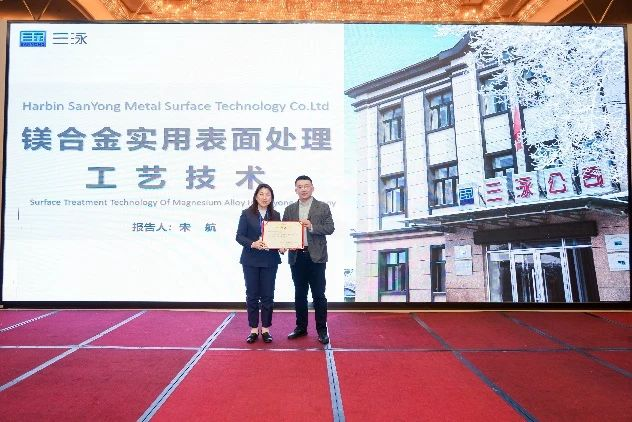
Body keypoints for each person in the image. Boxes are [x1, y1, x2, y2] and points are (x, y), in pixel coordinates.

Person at [282, 175, 335, 344]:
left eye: (306, 186)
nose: (303, 189)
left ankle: (322, 330)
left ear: (312, 188)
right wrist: (284, 245)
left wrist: (311, 226)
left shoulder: (323, 207)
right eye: (300, 186)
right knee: (300, 294)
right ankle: (301, 327)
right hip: (297, 257)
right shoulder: (290, 209)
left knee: (319, 295)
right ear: (295, 189)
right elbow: (284, 232)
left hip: (317, 257)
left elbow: (330, 228)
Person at [235, 183, 281, 344]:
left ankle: (266, 329)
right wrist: (253, 243)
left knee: (268, 295)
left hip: (270, 260)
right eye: (261, 194)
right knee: (252, 295)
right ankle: (254, 329)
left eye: (268, 194)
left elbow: (279, 236)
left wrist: (282, 246)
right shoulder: (246, 214)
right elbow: (239, 236)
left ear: (271, 198)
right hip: (251, 260)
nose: (264, 197)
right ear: (256, 196)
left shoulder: (275, 215)